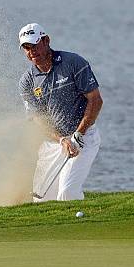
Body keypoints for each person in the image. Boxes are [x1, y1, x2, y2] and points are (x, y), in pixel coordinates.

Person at [18, 23, 103, 201]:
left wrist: (79, 134)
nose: (31, 51)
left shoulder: (72, 62)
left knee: (67, 192)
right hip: (53, 144)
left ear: (46, 40)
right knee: (41, 201)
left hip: (83, 138)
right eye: (26, 47)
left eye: (35, 45)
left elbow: (95, 100)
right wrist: (61, 140)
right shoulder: (27, 81)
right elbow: (38, 120)